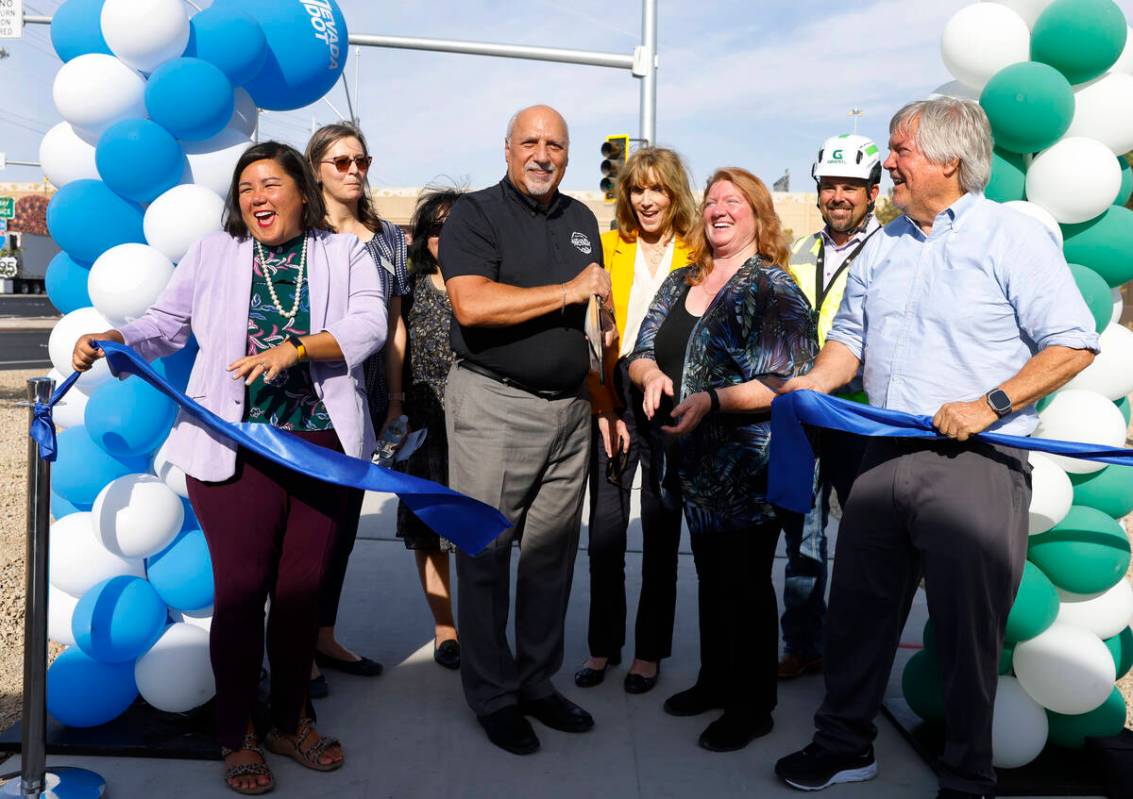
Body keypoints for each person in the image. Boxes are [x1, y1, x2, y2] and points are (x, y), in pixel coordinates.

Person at [774, 98, 1098, 799]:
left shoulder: (1010, 239)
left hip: (978, 466)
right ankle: (842, 743)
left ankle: (965, 775)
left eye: (898, 150)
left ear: (948, 162)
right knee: (857, 611)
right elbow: (848, 342)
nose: (885, 163)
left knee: (965, 632)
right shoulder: (883, 244)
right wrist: (809, 385)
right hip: (882, 456)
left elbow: (1073, 342)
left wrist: (988, 405)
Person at [71, 141, 386, 794]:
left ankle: (290, 718)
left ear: (301, 190)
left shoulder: (344, 252)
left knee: (301, 594)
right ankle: (236, 730)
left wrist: (296, 349)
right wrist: (117, 338)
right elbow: (166, 323)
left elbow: (368, 325)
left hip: (319, 448)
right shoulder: (215, 252)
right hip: (231, 448)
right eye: (246, 187)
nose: (256, 197)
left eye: (271, 183)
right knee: (241, 596)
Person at [439, 104, 614, 756]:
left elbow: (592, 323)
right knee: (484, 557)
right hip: (494, 406)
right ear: (508, 148)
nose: (543, 155)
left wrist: (602, 399)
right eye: (530, 143)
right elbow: (471, 304)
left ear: (568, 155)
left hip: (568, 412)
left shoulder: (580, 219)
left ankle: (535, 680)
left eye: (556, 146)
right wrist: (568, 292)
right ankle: (493, 695)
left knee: (549, 560)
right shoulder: (476, 214)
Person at [627, 168, 817, 752]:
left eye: (732, 201)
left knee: (746, 585)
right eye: (711, 201)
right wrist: (651, 372)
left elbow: (786, 380)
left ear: (759, 213)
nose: (718, 210)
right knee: (711, 579)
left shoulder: (773, 288)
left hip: (746, 467)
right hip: (687, 465)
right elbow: (640, 348)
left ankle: (752, 705)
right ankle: (714, 682)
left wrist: (712, 400)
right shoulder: (684, 279)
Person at [574, 147, 696, 695]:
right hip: (617, 395)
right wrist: (606, 403)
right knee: (604, 532)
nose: (646, 200)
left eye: (657, 190)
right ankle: (603, 648)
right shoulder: (608, 250)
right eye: (637, 190)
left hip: (672, 399)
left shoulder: (699, 253)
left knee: (662, 532)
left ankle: (648, 653)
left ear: (674, 194)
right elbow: (592, 343)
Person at [304, 123, 410, 697]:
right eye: (340, 161)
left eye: (361, 160)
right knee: (305, 524)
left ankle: (323, 634)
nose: (353, 170)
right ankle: (295, 644)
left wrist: (394, 399)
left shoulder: (389, 237)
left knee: (342, 524)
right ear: (316, 167)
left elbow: (395, 327)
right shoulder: (302, 232)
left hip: (367, 400)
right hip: (309, 396)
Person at [778, 134, 881, 680]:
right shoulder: (799, 252)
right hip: (804, 415)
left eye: (850, 187)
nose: (838, 196)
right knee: (803, 540)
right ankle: (804, 644)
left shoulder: (892, 250)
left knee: (867, 541)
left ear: (872, 191)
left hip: (861, 417)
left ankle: (858, 652)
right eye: (829, 186)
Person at [395, 186, 466, 670]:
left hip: (479, 421)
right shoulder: (411, 288)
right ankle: (446, 629)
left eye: (455, 227)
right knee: (430, 532)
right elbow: (393, 351)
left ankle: (483, 621)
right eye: (436, 228)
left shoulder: (488, 283)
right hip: (423, 421)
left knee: (481, 529)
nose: (445, 237)